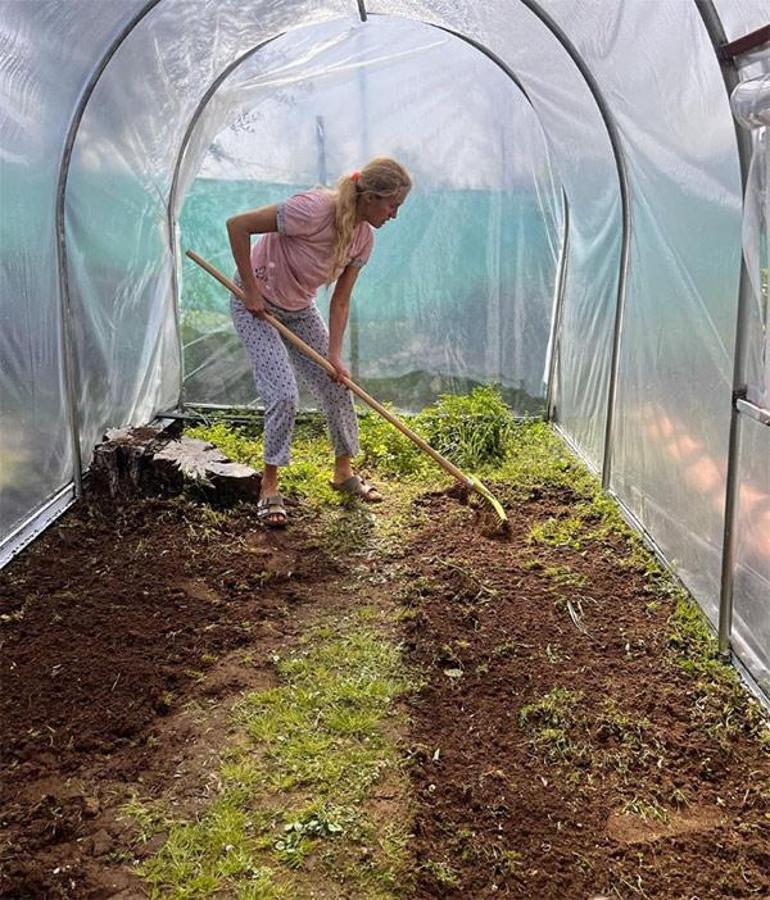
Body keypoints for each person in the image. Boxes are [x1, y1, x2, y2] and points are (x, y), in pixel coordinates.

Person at [227, 156, 412, 527]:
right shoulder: (311, 210)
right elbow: (238, 225)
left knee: (336, 384)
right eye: (393, 205)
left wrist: (335, 356)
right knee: (283, 393)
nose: (394, 215)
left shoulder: (363, 239)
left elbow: (340, 300)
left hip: (298, 309)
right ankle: (269, 485)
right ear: (372, 197)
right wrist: (250, 290)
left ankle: (343, 473)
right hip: (256, 306)